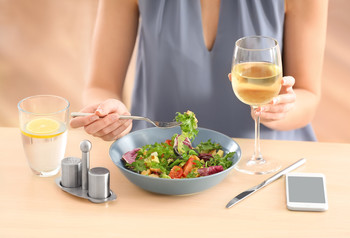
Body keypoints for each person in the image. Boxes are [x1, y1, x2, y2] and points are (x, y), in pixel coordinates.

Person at [70, 0, 328, 142]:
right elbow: (100, 84)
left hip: (264, 165)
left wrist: (279, 110)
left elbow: (308, 94)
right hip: (160, 165)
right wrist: (107, 114)